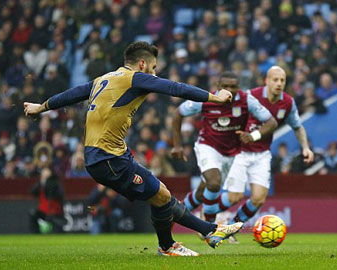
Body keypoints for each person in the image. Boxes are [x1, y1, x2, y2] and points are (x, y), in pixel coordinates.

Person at [24, 41, 243, 257]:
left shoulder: (105, 79)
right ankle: (183, 241)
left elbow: (72, 94)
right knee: (160, 194)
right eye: (153, 67)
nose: (154, 73)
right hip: (107, 157)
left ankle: (202, 234)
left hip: (107, 154)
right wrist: (215, 98)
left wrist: (41, 107)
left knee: (161, 195)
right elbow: (175, 88)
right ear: (142, 63)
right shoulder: (134, 78)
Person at [205, 66, 314, 237]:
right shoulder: (251, 96)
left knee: (258, 198)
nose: (279, 83)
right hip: (240, 151)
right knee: (234, 196)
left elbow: (298, 127)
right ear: (267, 81)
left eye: (282, 80)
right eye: (275, 80)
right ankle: (205, 219)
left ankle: (230, 229)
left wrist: (306, 147)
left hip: (262, 153)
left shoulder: (287, 103)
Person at [171, 72, 277, 223]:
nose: (229, 90)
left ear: (238, 87)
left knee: (203, 192)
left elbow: (271, 122)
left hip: (231, 153)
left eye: (233, 86)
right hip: (208, 146)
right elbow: (178, 113)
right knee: (214, 184)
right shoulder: (205, 99)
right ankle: (208, 224)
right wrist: (177, 145)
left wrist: (253, 136)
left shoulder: (247, 100)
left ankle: (175, 214)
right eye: (225, 86)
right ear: (218, 87)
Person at [29, 167, 66, 233]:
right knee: (33, 214)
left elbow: (60, 194)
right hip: (43, 211)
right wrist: (41, 183)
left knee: (56, 227)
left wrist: (50, 185)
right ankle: (36, 234)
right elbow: (32, 192)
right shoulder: (40, 185)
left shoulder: (56, 184)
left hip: (54, 211)